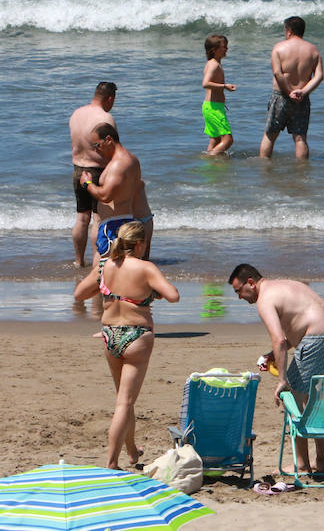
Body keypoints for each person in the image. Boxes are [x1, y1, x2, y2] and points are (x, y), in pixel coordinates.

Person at [74, 220, 180, 469]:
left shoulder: (104, 264)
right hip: (137, 337)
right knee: (124, 403)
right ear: (141, 243)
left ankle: (132, 451)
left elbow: (80, 293)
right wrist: (155, 291)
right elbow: (174, 296)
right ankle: (111, 462)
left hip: (109, 334)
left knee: (124, 398)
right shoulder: (146, 268)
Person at [228, 264, 324, 473]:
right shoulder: (287, 285)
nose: (239, 297)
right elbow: (296, 330)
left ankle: (301, 464)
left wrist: (282, 379)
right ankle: (321, 461)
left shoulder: (265, 300)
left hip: (317, 338)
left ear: (251, 283)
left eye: (239, 291)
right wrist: (273, 355)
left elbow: (279, 340)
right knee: (313, 398)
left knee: (291, 397)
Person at [68, 83, 154, 266]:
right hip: (99, 171)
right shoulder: (105, 118)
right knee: (99, 219)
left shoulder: (76, 114)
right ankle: (97, 261)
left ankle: (78, 261)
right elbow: (114, 149)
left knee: (81, 218)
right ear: (110, 99)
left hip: (78, 168)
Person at [79, 123, 152, 261]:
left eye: (97, 145)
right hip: (122, 222)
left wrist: (86, 184)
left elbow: (105, 196)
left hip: (114, 226)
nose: (96, 150)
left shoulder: (119, 164)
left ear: (108, 140)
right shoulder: (130, 160)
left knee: (103, 271)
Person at [259, 16, 324, 159]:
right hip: (302, 99)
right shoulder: (313, 51)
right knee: (300, 138)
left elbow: (277, 73)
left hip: (281, 96)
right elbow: (319, 76)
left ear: (288, 31)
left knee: (270, 135)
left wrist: (289, 92)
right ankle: (302, 172)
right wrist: (303, 91)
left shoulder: (279, 48)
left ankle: (264, 170)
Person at [201, 34, 236, 155]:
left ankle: (211, 165)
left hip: (211, 106)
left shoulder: (214, 63)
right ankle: (210, 157)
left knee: (215, 139)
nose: (227, 49)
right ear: (214, 50)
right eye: (224, 47)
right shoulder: (214, 64)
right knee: (228, 140)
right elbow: (205, 83)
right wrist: (224, 86)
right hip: (214, 108)